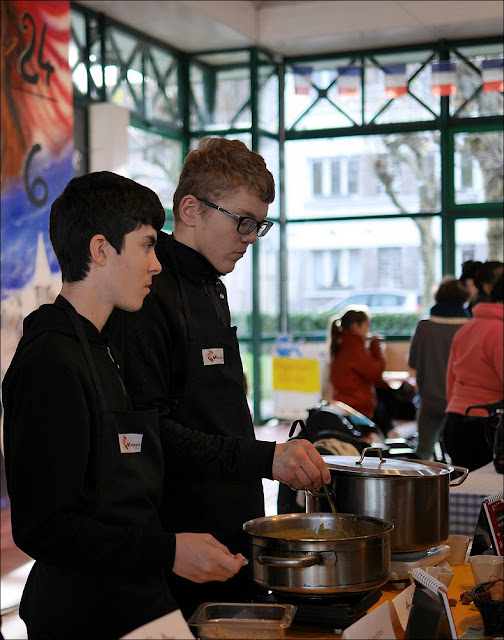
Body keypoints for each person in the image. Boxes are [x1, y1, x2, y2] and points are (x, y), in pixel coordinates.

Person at [2, 171, 330, 639]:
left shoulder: (100, 346)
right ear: (100, 250)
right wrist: (169, 551)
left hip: (131, 599)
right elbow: (44, 528)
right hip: (82, 612)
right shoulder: (50, 360)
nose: (157, 265)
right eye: (147, 246)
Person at [105, 138, 330, 617]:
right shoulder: (147, 294)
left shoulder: (212, 286)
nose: (250, 236)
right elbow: (151, 432)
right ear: (190, 208)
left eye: (259, 225)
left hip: (232, 522)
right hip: (183, 539)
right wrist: (265, 457)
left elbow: (216, 412)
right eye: (242, 221)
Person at [441, 273, 504, 471]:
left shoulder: (467, 329)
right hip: (486, 427)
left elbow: (450, 382)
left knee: (466, 493)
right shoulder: (499, 331)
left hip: (456, 421)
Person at [408, 276, 470, 460]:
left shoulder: (424, 326)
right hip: (461, 403)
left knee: (424, 452)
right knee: (460, 456)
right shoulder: (469, 327)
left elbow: (413, 362)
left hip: (430, 400)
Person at [328, 307, 387, 425]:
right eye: (366, 325)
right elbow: (375, 373)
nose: (368, 330)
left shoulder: (342, 343)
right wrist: (375, 348)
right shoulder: (353, 347)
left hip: (346, 403)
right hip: (356, 408)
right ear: (356, 326)